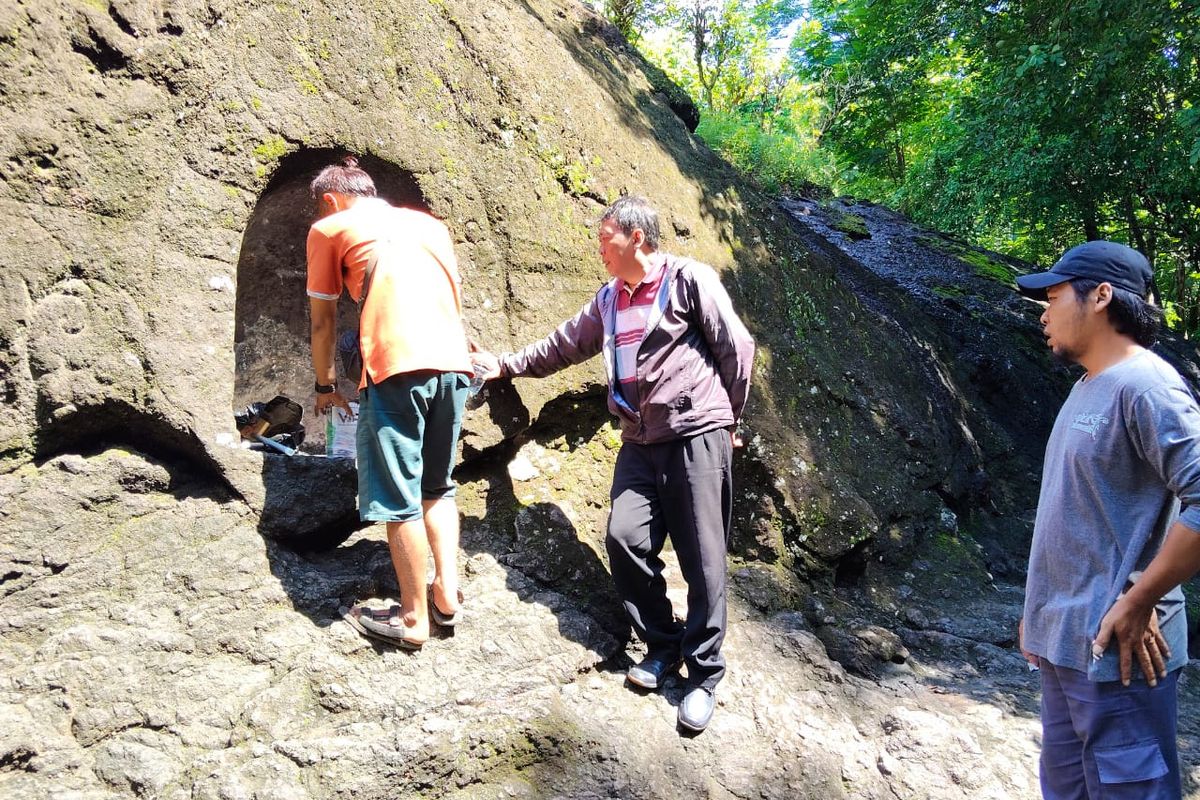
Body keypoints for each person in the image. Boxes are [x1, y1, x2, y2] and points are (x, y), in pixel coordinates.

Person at [473, 196, 755, 732]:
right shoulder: (608, 299)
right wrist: (504, 366)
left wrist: (729, 420)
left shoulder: (688, 279)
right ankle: (663, 644)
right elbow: (562, 346)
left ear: (637, 237)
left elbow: (736, 348)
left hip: (696, 432)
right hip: (639, 440)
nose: (599, 248)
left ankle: (703, 674)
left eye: (606, 238)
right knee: (625, 539)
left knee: (703, 559)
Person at [1015, 240, 1200, 799]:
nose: (1043, 314)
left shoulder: (1148, 387)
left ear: (1099, 297)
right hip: (1064, 644)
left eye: (1052, 298)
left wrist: (1141, 598)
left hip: (1120, 655)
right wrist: (1037, 614)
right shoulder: (1089, 384)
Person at [306, 155, 474, 649]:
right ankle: (446, 595)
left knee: (399, 501)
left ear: (331, 200)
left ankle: (413, 619)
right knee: (437, 487)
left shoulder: (330, 227)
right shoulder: (429, 225)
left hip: (397, 367)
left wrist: (326, 385)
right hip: (454, 366)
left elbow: (322, 320)